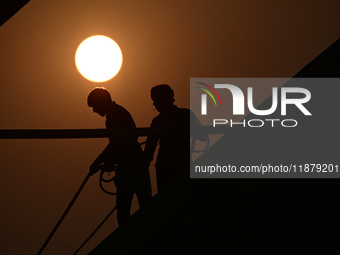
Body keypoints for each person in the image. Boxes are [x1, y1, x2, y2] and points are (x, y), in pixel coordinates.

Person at [87, 87, 152, 226]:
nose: (94, 111)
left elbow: (117, 143)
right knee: (144, 205)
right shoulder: (117, 113)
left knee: (124, 211)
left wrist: (100, 162)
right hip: (134, 164)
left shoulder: (114, 116)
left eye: (95, 106)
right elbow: (117, 143)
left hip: (131, 166)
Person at [144, 84, 207, 193]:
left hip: (170, 168)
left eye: (156, 100)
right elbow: (202, 137)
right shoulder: (186, 115)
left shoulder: (158, 121)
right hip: (180, 166)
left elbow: (149, 152)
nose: (154, 103)